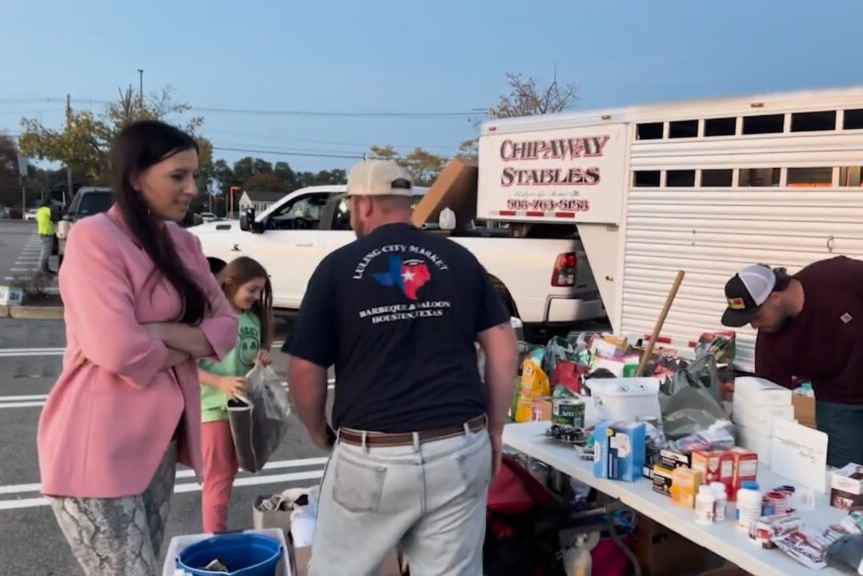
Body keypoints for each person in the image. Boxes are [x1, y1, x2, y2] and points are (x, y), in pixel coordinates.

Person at [284, 159, 519, 576]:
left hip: (374, 456)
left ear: (366, 204)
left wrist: (318, 430)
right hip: (459, 448)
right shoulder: (459, 259)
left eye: (351, 206)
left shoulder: (338, 267)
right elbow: (502, 344)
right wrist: (495, 429)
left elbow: (304, 368)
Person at [37, 119, 239, 576]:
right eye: (177, 176)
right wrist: (189, 341)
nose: (192, 188)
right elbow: (118, 350)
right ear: (133, 176)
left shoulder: (185, 244)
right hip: (99, 445)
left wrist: (158, 331)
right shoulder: (95, 238)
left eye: (194, 176)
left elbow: (225, 329)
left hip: (158, 443)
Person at [720, 257, 863, 487]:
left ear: (775, 297)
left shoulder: (841, 276)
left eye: (756, 317)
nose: (755, 326)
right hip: (837, 401)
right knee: (842, 478)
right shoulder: (771, 344)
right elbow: (770, 399)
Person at [197, 256, 275, 533]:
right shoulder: (208, 316)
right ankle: (213, 538)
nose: (256, 297)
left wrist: (262, 356)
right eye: (251, 290)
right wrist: (220, 382)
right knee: (218, 478)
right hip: (213, 408)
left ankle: (216, 533)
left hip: (241, 409)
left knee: (227, 475)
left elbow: (248, 356)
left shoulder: (253, 319)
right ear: (230, 283)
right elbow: (185, 367)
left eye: (259, 291)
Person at [36, 200, 56, 274]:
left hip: (42, 233)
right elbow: (54, 216)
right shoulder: (47, 210)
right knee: (45, 253)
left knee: (45, 252)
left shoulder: (39, 211)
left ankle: (45, 268)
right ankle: (43, 269)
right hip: (47, 233)